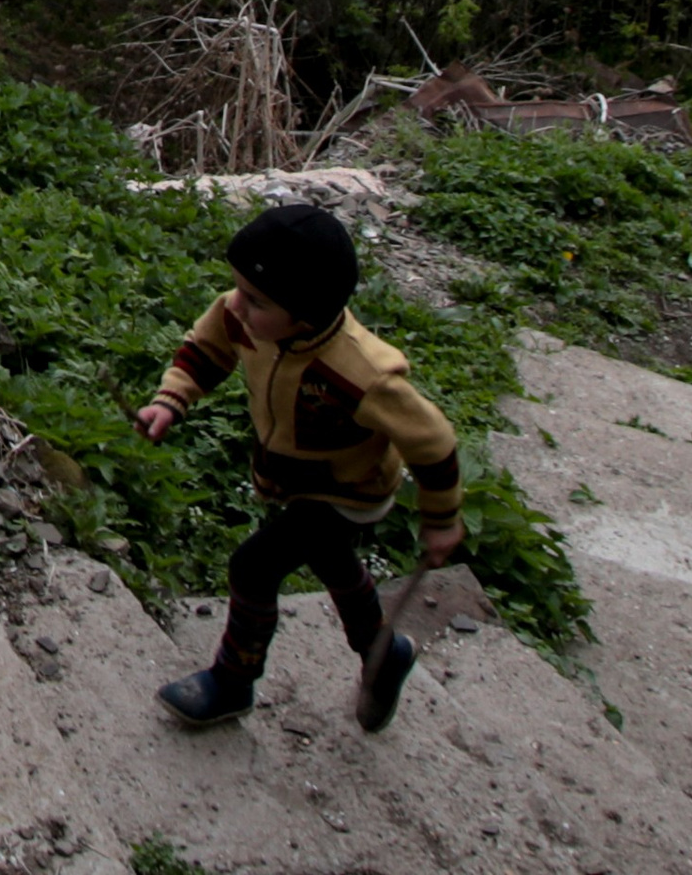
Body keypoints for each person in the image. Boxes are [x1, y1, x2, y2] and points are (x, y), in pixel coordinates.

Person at [132, 200, 464, 733]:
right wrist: (171, 401)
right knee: (333, 564)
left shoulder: (360, 372)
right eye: (237, 287)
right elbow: (207, 348)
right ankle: (383, 650)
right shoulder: (248, 318)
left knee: (254, 567)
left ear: (305, 315)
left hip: (347, 492)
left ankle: (233, 681)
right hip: (293, 477)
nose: (235, 305)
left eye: (254, 298)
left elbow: (433, 439)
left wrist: (443, 518)